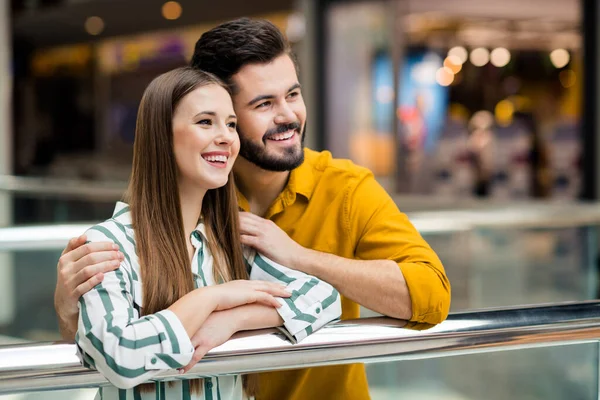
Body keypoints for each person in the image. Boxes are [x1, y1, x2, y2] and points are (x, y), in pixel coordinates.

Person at [55, 18, 451, 400]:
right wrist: (67, 310)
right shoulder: (198, 208)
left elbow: (430, 295)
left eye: (293, 95)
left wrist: (292, 262)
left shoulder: (344, 188)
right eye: (263, 103)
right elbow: (112, 345)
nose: (288, 116)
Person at [75, 67, 341, 399]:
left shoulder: (230, 238)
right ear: (162, 135)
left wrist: (233, 319)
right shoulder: (108, 245)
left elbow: (324, 298)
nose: (227, 137)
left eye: (230, 124)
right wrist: (211, 298)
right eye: (205, 122)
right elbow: (120, 355)